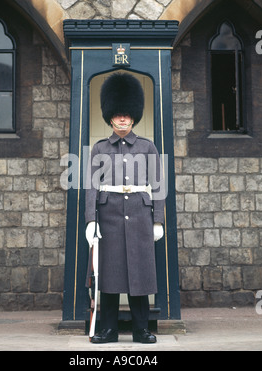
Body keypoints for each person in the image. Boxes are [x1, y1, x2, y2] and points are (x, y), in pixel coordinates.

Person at [85, 73, 165, 344]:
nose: (122, 119)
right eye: (117, 114)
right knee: (109, 275)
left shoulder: (147, 147)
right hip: (108, 217)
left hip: (141, 217)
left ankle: (141, 329)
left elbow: (157, 185)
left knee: (139, 274)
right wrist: (90, 221)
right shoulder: (99, 149)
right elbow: (91, 187)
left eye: (126, 115)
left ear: (133, 117)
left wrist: (158, 221)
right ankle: (108, 330)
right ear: (110, 117)